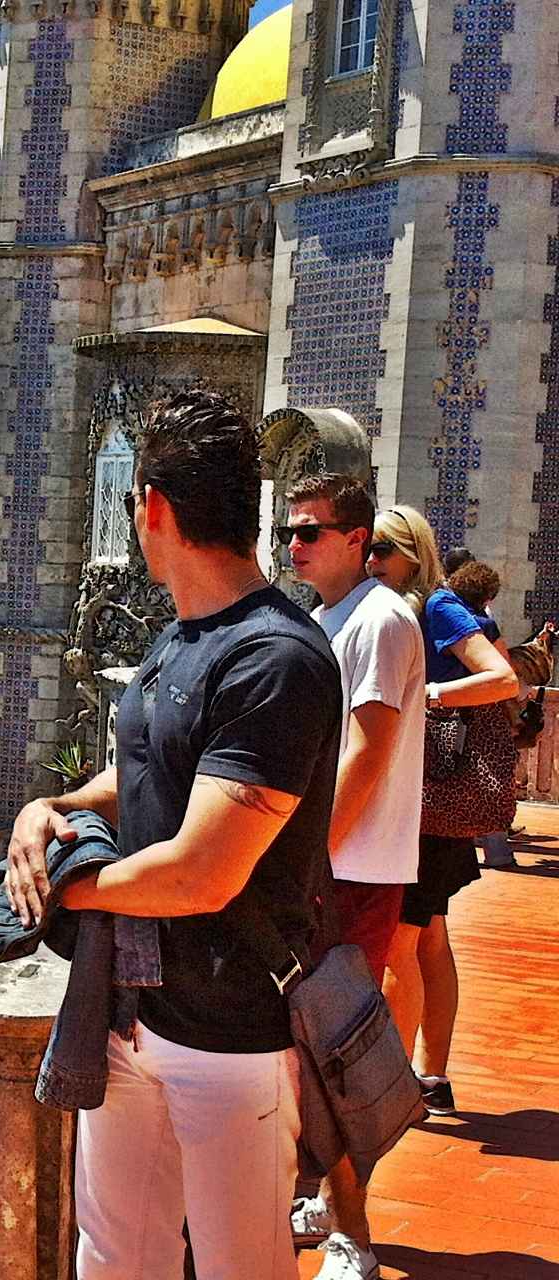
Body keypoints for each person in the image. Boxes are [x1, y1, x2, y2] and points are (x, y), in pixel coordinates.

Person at [4, 389, 341, 1280]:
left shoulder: (275, 659)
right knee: (113, 1258)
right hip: (131, 1011)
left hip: (232, 1033)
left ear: (152, 508)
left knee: (241, 1269)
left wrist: (66, 886)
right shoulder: (180, 639)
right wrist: (54, 808)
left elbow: (202, 874)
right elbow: (147, 768)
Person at [282, 475, 427, 1278]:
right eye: (288, 531)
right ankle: (321, 1202)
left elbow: (367, 757)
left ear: (355, 539)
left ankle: (353, 1236)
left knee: (336, 1055)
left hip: (353, 873)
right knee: (302, 1051)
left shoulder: (380, 620)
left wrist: (301, 860)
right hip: (331, 869)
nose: (294, 545)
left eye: (310, 531)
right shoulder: (325, 621)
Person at [368, 512, 519, 1119]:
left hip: (430, 799)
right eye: (366, 547)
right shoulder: (391, 608)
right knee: (429, 935)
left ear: (414, 553)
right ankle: (430, 1075)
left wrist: (428, 695)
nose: (371, 559)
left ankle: (395, 1086)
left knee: (402, 940)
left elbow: (502, 677)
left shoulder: (436, 606)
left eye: (383, 548)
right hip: (421, 800)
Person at [448, 560, 516, 868]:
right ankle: (497, 852)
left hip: (444, 713)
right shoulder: (484, 626)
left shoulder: (440, 616)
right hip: (482, 713)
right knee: (488, 780)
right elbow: (504, 668)